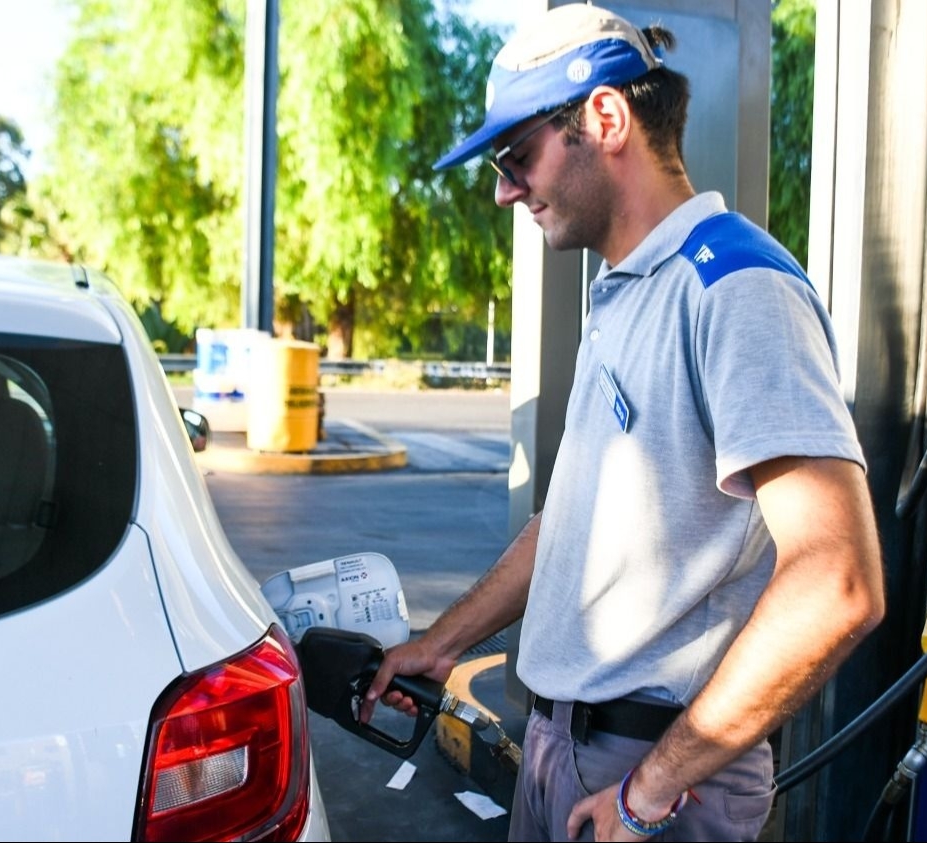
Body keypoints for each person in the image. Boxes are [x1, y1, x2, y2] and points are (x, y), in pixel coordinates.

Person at [359, 5, 885, 841]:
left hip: (654, 773)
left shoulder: (737, 290)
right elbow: (565, 524)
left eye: (517, 154)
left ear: (603, 118)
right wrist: (443, 641)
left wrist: (649, 792)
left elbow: (838, 583)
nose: (504, 189)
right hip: (562, 747)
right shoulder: (627, 293)